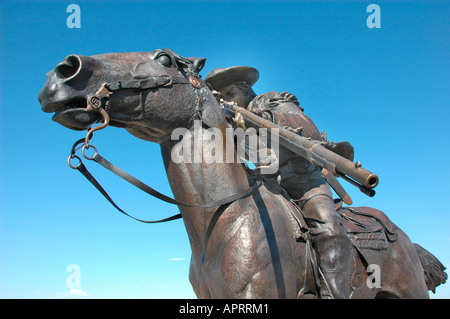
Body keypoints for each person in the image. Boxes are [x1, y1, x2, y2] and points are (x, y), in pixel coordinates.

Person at [205, 66, 354, 299]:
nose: (227, 101)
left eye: (231, 94)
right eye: (221, 97)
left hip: (304, 181)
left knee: (329, 230)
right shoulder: (232, 124)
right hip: (268, 185)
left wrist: (259, 123)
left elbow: (306, 131)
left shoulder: (272, 101)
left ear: (245, 91)